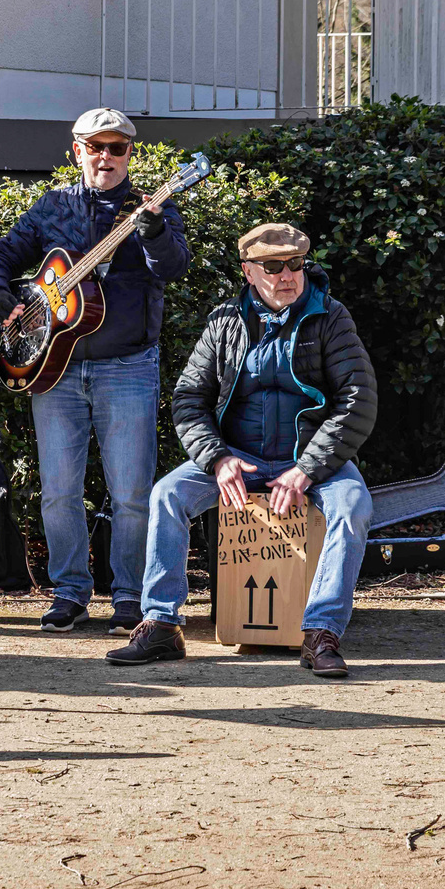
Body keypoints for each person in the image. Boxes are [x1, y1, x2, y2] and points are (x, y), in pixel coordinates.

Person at [106, 223, 377, 675]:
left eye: (296, 264)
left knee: (353, 506)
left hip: (309, 458)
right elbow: (189, 399)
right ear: (249, 271)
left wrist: (308, 468)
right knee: (166, 495)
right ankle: (161, 625)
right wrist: (216, 458)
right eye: (274, 266)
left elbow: (358, 400)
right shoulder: (225, 320)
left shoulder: (331, 316)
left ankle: (321, 633)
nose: (288, 275)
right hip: (238, 454)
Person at [0, 108, 190, 634]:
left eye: (116, 148)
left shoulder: (152, 208)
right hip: (55, 369)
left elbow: (174, 267)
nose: (105, 157)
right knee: (59, 491)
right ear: (77, 151)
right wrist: (0, 295)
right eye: (95, 146)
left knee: (132, 493)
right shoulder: (52, 206)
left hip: (128, 366)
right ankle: (69, 591)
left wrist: (155, 231)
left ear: (130, 155)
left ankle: (128, 597)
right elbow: (0, 256)